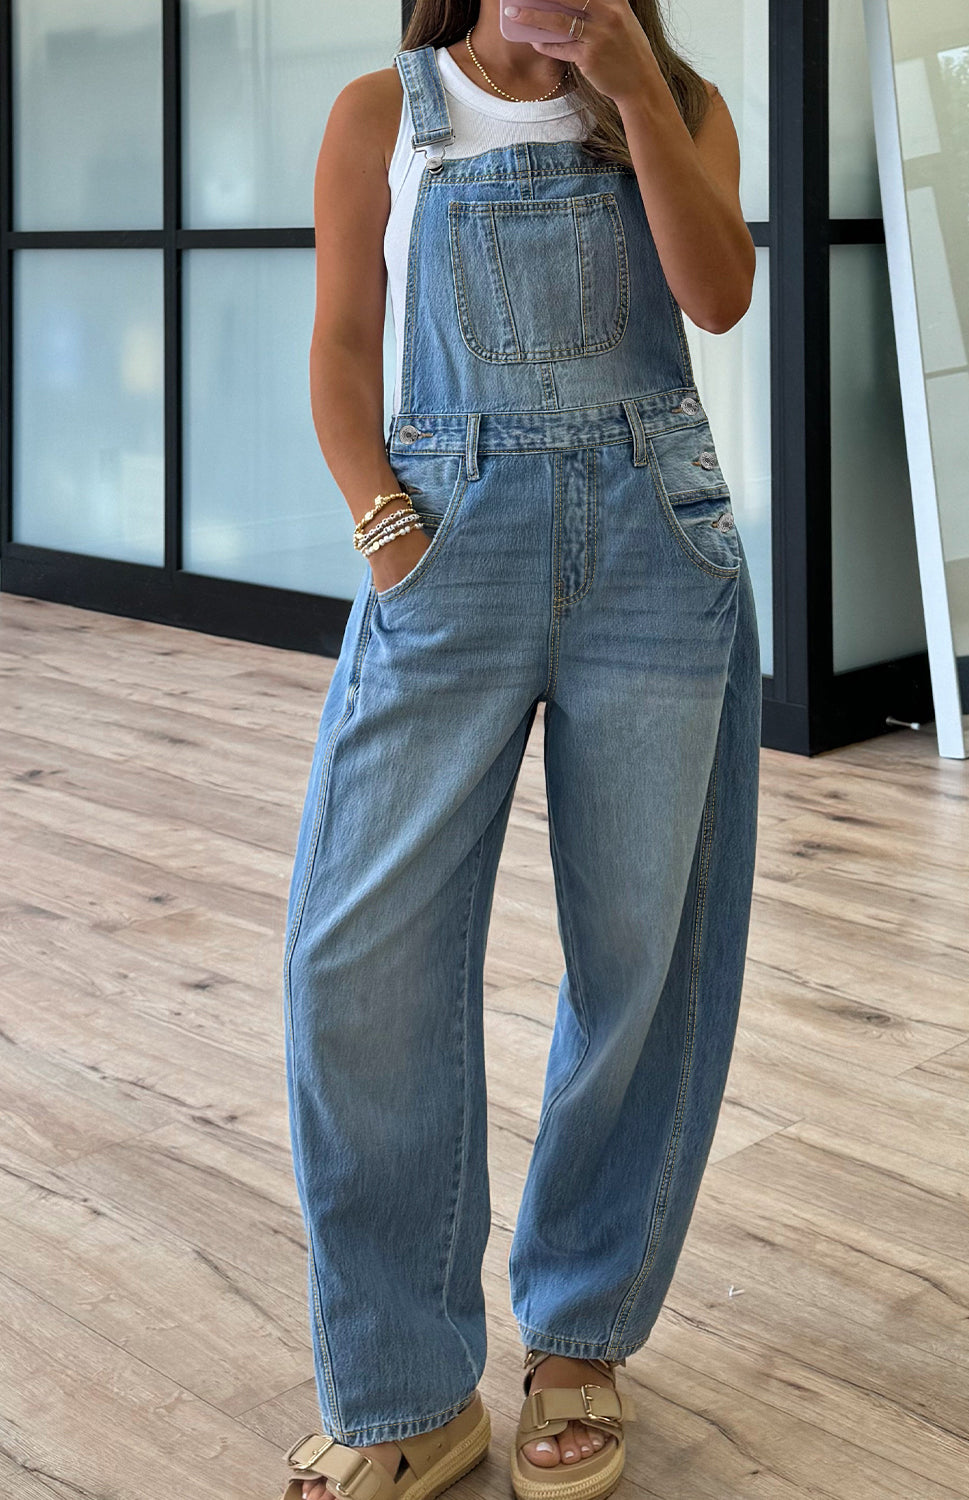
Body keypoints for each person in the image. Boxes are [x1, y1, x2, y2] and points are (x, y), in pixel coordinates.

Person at [281, 3, 760, 1497]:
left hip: (651, 546)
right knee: (354, 962)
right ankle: (408, 1390)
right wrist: (386, 529)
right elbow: (344, 342)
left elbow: (720, 298)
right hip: (444, 544)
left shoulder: (674, 99)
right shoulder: (381, 110)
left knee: (640, 957)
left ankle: (578, 1336)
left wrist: (624, 83)